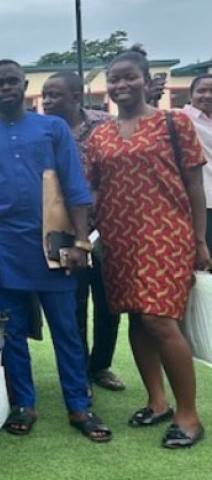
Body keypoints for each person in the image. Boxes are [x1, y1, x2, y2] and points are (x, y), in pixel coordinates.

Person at [0, 59, 111, 443]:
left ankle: (78, 405)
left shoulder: (52, 128)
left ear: (24, 85)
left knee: (67, 330)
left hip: (55, 243)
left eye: (12, 81)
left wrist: (80, 243)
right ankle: (24, 404)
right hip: (4, 248)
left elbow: (75, 187)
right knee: (12, 333)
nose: (6, 88)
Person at [87, 50, 209, 448]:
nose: (121, 85)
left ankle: (188, 415)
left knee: (159, 319)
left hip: (167, 233)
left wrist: (200, 240)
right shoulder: (100, 134)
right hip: (118, 238)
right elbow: (93, 188)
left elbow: (195, 186)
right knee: (136, 319)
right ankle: (157, 401)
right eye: (114, 79)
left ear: (146, 80)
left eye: (129, 77)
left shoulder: (174, 123)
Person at [41, 72, 124, 392]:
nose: (47, 101)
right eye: (45, 95)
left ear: (76, 96)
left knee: (108, 301)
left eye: (54, 95)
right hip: (62, 226)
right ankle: (78, 372)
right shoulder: (42, 131)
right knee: (72, 302)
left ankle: (100, 366)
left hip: (106, 225)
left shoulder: (106, 125)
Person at [181, 74, 212, 254]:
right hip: (201, 202)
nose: (207, 95)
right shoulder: (180, 118)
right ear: (191, 95)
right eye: (201, 91)